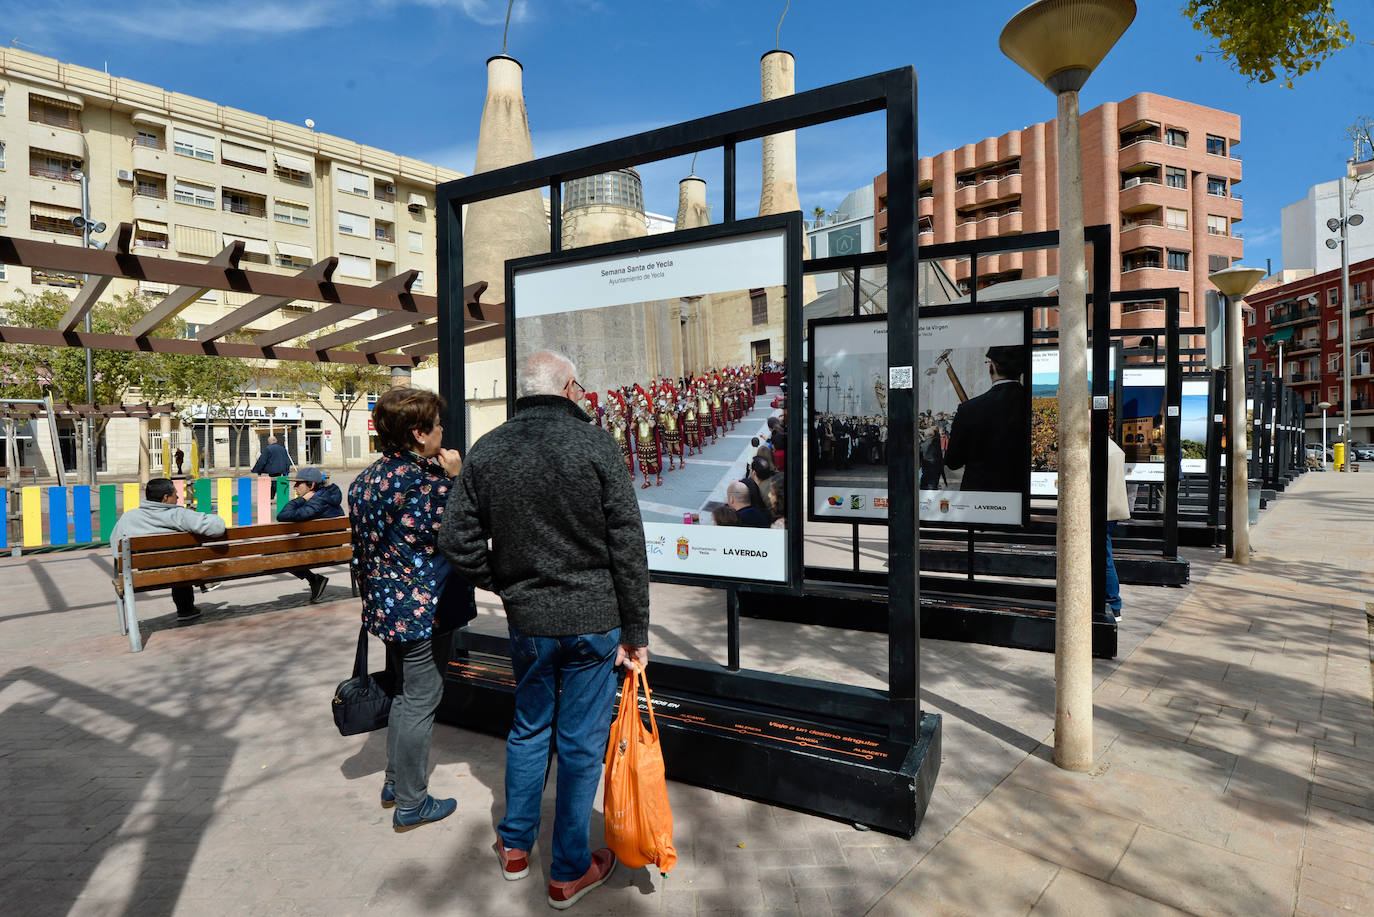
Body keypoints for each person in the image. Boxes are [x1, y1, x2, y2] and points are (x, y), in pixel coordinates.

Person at [438, 350, 649, 910]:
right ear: (570, 387)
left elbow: (454, 541)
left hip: (530, 622)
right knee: (580, 746)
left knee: (529, 730)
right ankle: (568, 871)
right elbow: (628, 545)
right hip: (596, 622)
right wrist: (638, 632)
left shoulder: (489, 449)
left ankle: (514, 848)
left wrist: (506, 583)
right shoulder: (597, 444)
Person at [349, 388, 475, 833]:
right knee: (420, 700)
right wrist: (458, 479)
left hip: (385, 607)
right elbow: (464, 533)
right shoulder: (428, 485)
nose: (444, 431)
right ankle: (412, 802)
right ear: (420, 434)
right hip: (425, 610)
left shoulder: (367, 480)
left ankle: (394, 782)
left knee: (406, 696)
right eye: (438, 425)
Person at [110, 477, 226, 624]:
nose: (178, 497)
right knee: (181, 560)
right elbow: (218, 528)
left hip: (144, 574)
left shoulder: (128, 517)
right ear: (166, 498)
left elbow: (115, 548)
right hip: (184, 571)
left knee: (178, 560)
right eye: (175, 494)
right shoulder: (179, 514)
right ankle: (186, 609)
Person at [943, 345, 1028, 493]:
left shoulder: (969, 409)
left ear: (991, 368)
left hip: (979, 493)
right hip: (1018, 492)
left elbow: (953, 461)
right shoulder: (1029, 401)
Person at [277, 466, 343, 603]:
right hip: (331, 545)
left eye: (298, 484)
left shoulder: (318, 502)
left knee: (273, 555)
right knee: (276, 552)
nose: (294, 487)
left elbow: (282, 515)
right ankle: (314, 580)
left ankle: (314, 579)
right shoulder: (327, 497)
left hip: (323, 549)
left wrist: (301, 500)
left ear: (311, 485)